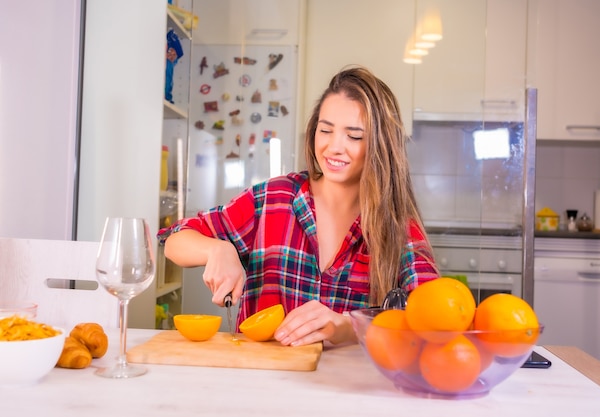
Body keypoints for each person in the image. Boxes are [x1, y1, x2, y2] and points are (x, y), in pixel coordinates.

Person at [158, 66, 439, 347]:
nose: (333, 147)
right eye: (325, 130)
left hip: (345, 386)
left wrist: (349, 327)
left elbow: (433, 319)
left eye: (353, 136)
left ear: (380, 144)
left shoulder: (397, 227)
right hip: (262, 381)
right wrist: (216, 249)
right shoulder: (273, 199)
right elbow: (173, 240)